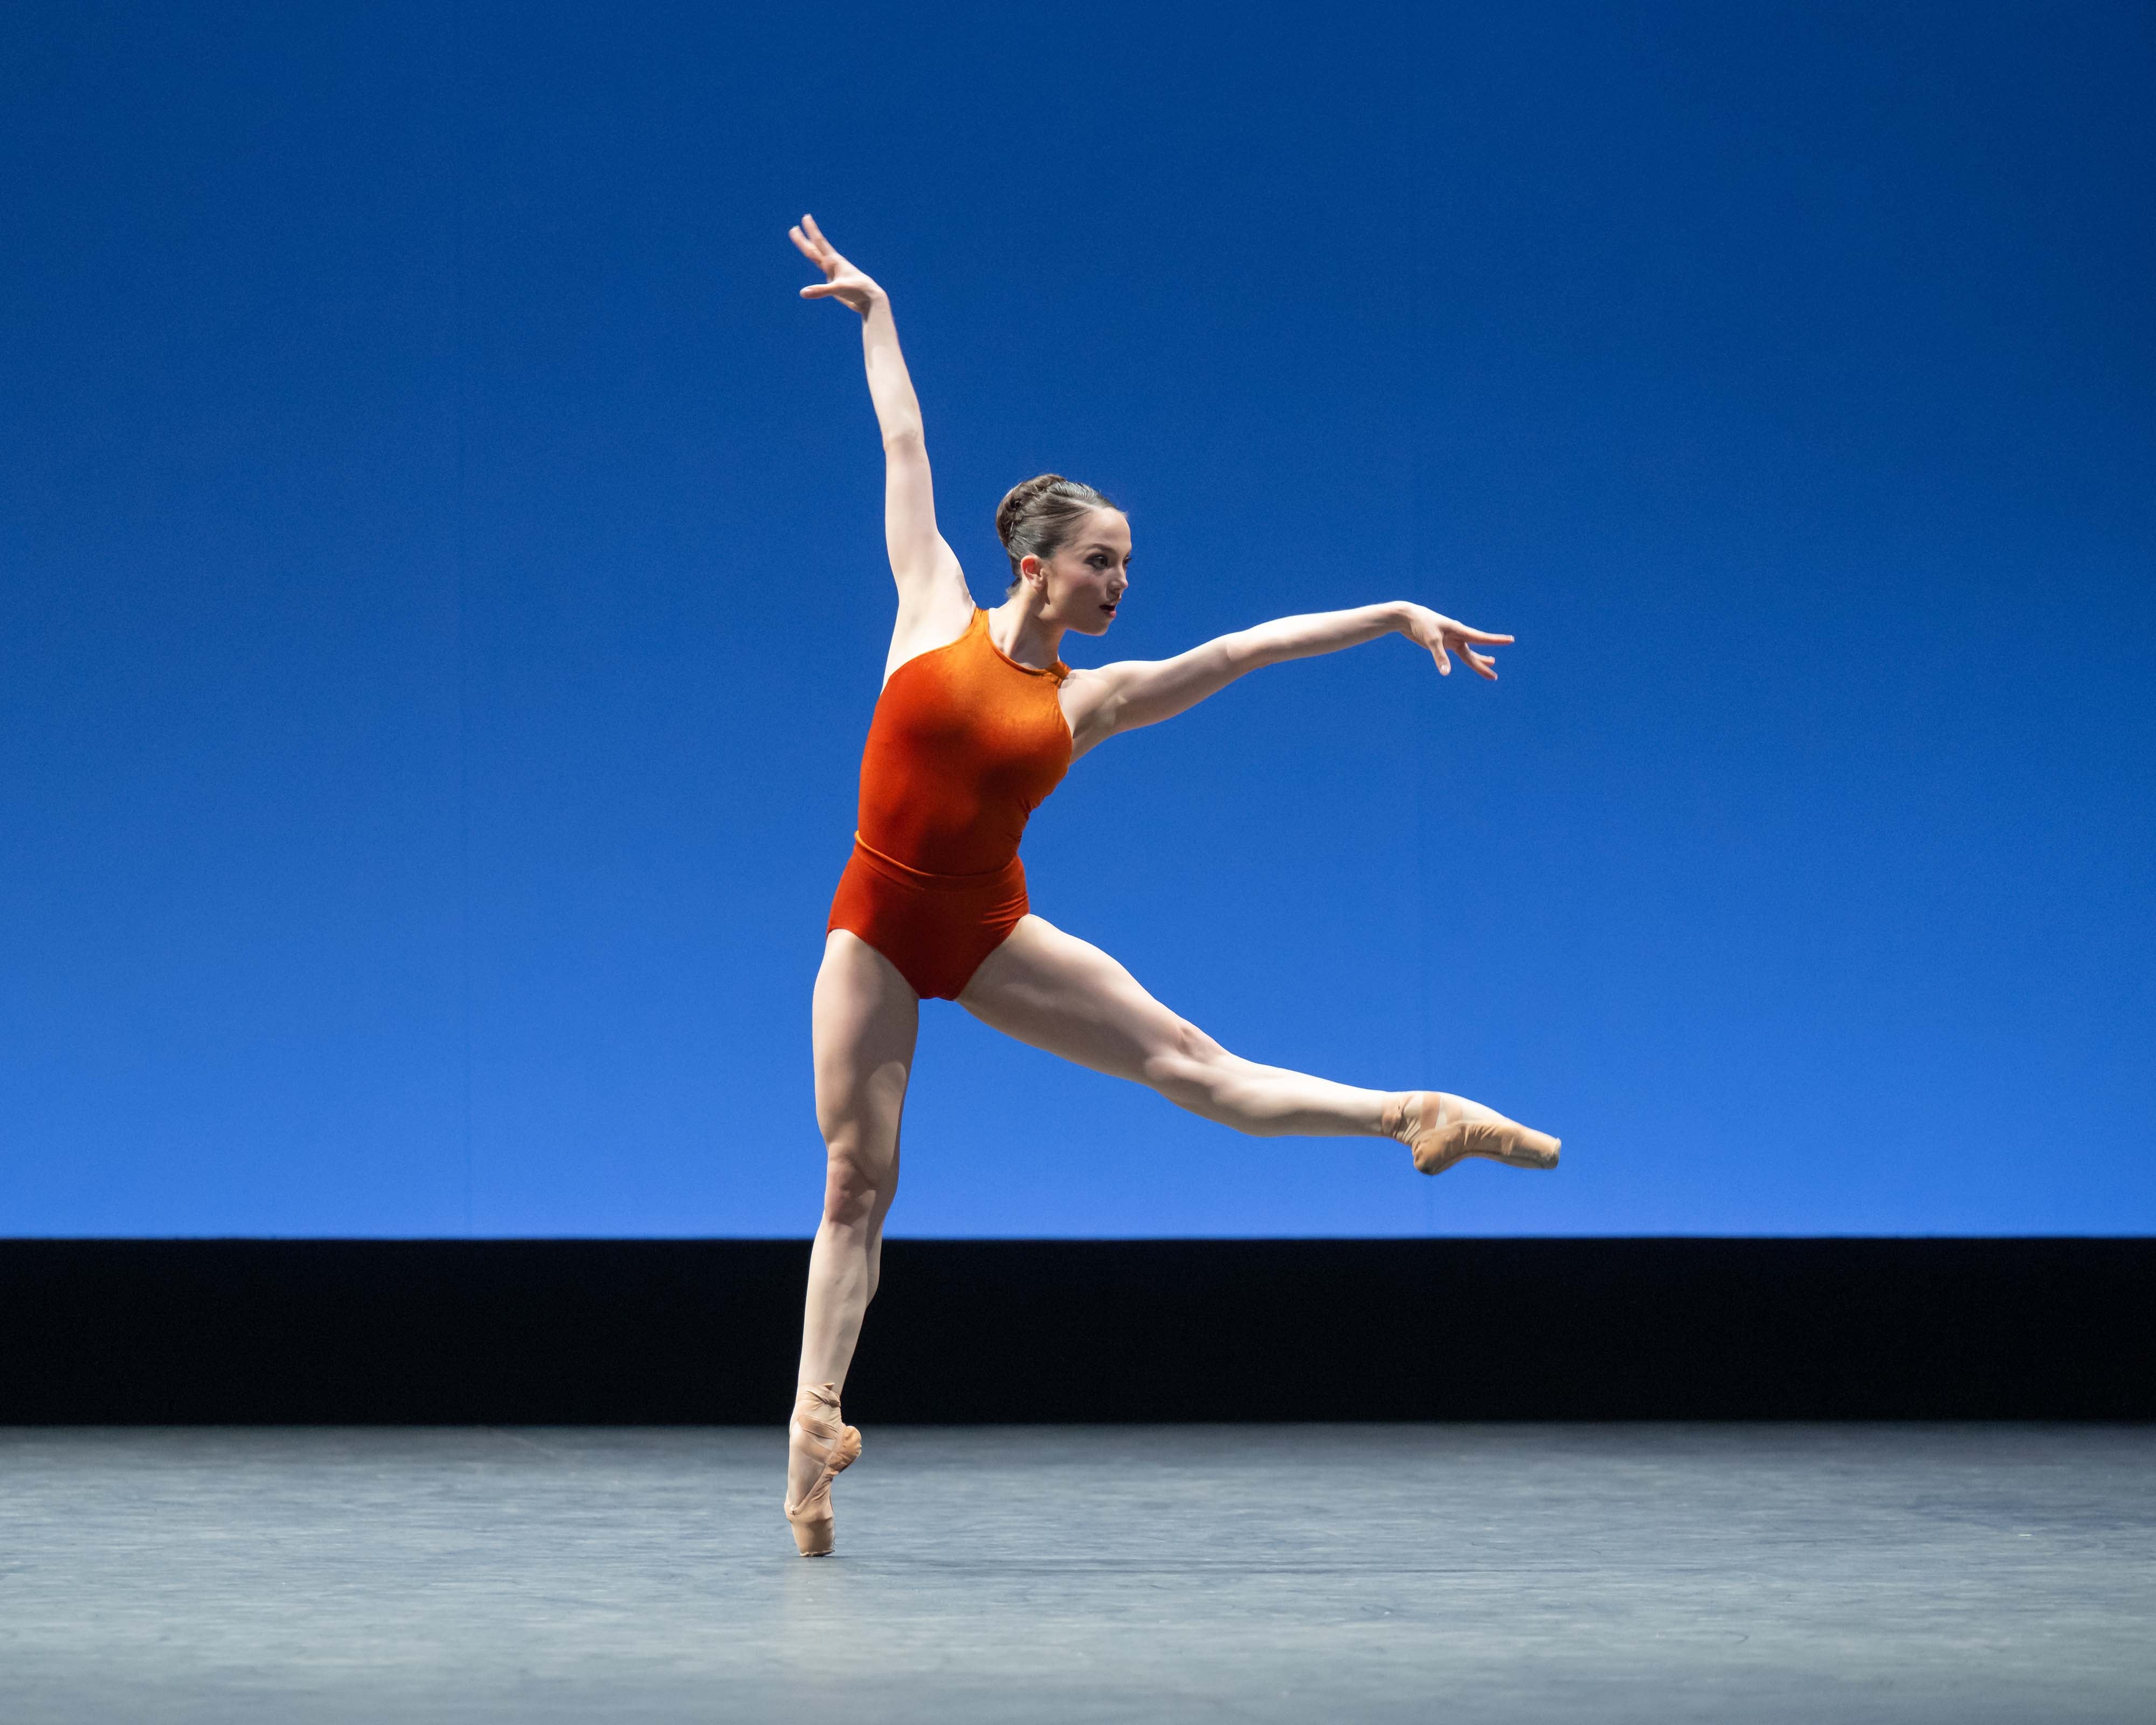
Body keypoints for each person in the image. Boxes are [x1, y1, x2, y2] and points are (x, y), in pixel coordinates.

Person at [780, 214, 1560, 1556]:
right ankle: (812, 1429)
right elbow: (904, 444)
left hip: (981, 927)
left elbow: (1245, 650)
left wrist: (1391, 614)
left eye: (1127, 567)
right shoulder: (929, 609)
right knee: (858, 1181)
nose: (1121, 582)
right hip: (874, 925)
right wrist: (876, 313)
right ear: (1037, 564)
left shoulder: (1092, 701)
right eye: (1103, 563)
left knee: (1193, 1065)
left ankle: (1414, 1115)